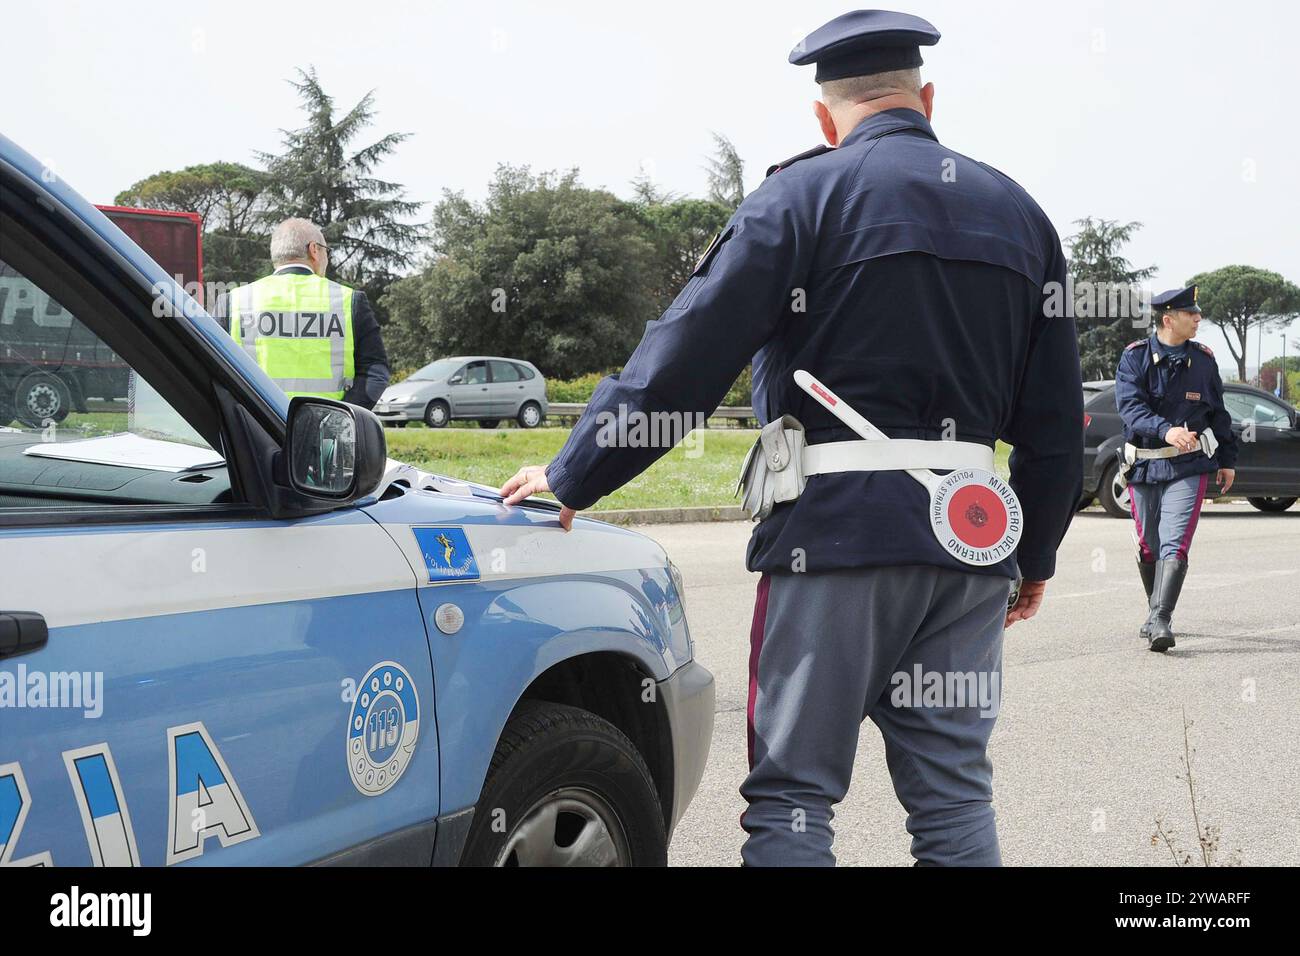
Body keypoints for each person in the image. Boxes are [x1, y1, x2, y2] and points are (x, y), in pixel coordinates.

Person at [499, 9, 1082, 866]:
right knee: (956, 798)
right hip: (969, 541)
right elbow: (1055, 421)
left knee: (795, 796)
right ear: (927, 97)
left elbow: (685, 357)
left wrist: (575, 471)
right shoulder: (1020, 216)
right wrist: (1036, 556)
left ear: (824, 115)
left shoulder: (801, 195)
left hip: (833, 538)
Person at [1114, 284, 1237, 652]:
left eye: (1197, 313)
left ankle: (1162, 619)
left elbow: (1219, 413)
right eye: (1190, 314)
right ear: (1169, 319)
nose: (1198, 318)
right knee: (1149, 545)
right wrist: (1166, 430)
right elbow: (1130, 410)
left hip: (1189, 466)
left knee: (1174, 541)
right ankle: (1154, 613)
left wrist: (1227, 460)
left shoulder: (1203, 359)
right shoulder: (1134, 358)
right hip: (1144, 467)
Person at [218, 218, 389, 409]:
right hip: (326, 432)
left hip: (255, 429)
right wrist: (341, 420)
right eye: (327, 251)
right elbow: (376, 372)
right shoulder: (349, 300)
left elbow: (214, 370)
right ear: (314, 250)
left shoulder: (234, 301)